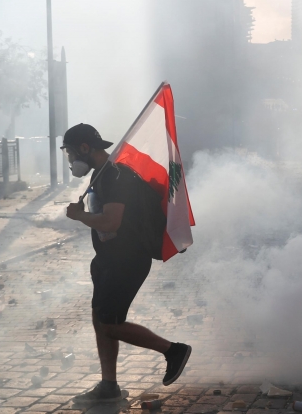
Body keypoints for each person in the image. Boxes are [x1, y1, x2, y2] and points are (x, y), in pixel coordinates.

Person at [62, 124, 192, 403]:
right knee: (102, 319)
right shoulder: (102, 174)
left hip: (127, 261)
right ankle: (109, 386)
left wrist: (78, 216)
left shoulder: (115, 176)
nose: (71, 160)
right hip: (108, 260)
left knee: (109, 323)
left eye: (71, 153)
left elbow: (111, 222)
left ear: (85, 148)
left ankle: (173, 351)